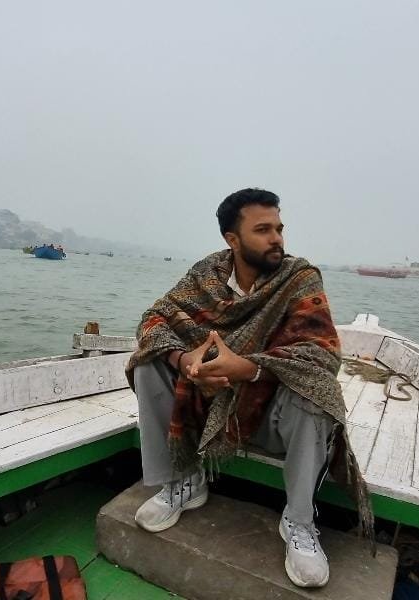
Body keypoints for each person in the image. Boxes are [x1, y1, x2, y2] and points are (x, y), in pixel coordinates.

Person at [125, 188, 373, 589]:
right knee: (149, 359)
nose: (276, 238)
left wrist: (247, 368)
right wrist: (186, 361)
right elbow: (154, 318)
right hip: (213, 400)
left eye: (279, 227)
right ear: (232, 239)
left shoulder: (299, 278)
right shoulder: (206, 274)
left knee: (318, 387)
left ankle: (299, 521)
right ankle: (184, 481)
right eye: (262, 229)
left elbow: (319, 353)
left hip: (274, 418)